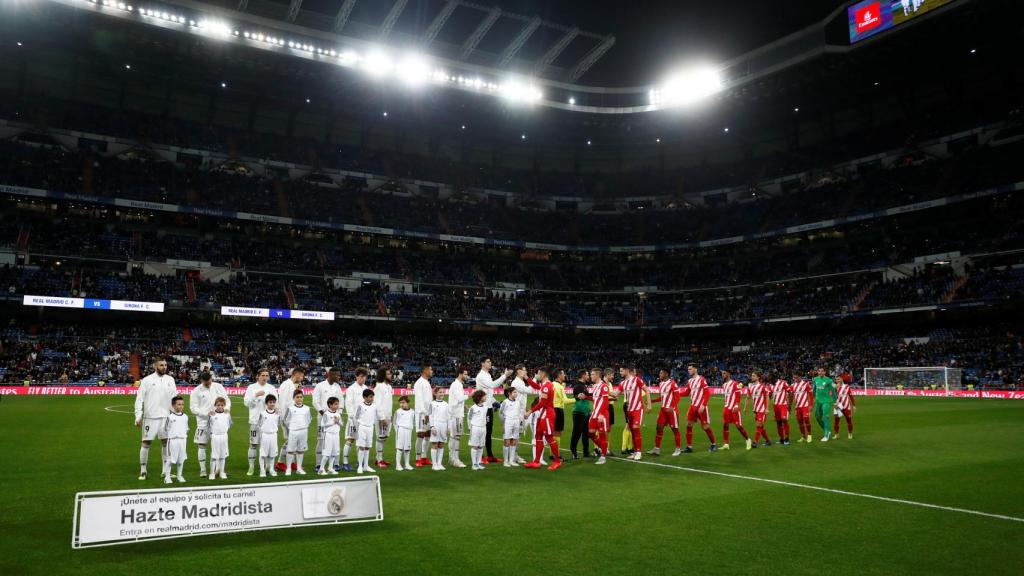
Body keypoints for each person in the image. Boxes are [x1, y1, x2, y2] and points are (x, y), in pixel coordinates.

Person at [134, 357, 178, 480]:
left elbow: (174, 398)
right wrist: (138, 416)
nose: (164, 367)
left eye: (165, 365)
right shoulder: (147, 380)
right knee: (146, 443)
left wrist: (175, 414)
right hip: (150, 417)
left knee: (166, 443)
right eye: (161, 365)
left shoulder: (170, 380)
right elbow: (139, 399)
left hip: (166, 417)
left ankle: (165, 471)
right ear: (155, 366)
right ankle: (143, 471)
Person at [189, 370, 229, 478]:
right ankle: (203, 470)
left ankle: (218, 469)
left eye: (210, 381)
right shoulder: (196, 391)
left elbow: (227, 400)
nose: (208, 384)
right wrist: (206, 413)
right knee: (202, 445)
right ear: (201, 380)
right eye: (206, 382)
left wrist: (227, 409)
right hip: (203, 422)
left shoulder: (218, 387)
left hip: (218, 421)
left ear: (211, 378)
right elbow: (193, 408)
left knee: (219, 446)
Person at [475, 357, 512, 463]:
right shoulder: (481, 375)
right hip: (483, 409)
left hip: (488, 407)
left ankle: (490, 455)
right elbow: (492, 385)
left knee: (489, 432)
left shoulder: (487, 375)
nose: (490, 363)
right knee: (483, 432)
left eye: (490, 361)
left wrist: (495, 402)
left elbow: (489, 392)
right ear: (482, 364)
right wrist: (505, 375)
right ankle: (480, 456)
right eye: (488, 362)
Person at [524, 366, 561, 470]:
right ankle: (536, 461)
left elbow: (542, 403)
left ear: (544, 374)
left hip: (547, 415)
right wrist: (527, 378)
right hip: (543, 414)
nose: (537, 375)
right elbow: (536, 386)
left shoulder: (546, 386)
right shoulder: (545, 385)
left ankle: (557, 461)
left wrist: (530, 411)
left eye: (539, 373)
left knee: (549, 438)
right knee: (538, 436)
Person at [243, 368, 276, 476]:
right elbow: (246, 403)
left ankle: (267, 466)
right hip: (255, 420)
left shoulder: (271, 388)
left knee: (266, 445)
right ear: (258, 376)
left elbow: (276, 403)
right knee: (253, 444)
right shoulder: (251, 387)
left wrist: (277, 411)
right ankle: (251, 466)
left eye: (267, 375)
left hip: (268, 421)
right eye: (263, 375)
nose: (265, 377)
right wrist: (255, 395)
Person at [312, 367, 343, 471]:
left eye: (339, 375)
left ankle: (335, 464)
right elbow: (315, 401)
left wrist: (338, 414)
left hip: (335, 419)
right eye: (337, 375)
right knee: (321, 440)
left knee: (335, 439)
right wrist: (323, 413)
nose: (339, 377)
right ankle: (318, 464)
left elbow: (341, 402)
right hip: (322, 417)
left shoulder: (337, 387)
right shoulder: (320, 385)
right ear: (330, 375)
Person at [682, 363, 717, 453]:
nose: (689, 371)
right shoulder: (690, 381)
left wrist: (703, 405)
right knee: (688, 425)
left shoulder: (701, 379)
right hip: (692, 407)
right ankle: (689, 447)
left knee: (705, 427)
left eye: (690, 369)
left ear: (695, 369)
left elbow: (707, 393)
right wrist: (675, 393)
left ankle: (713, 444)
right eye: (688, 369)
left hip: (701, 407)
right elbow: (686, 393)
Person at [275, 367, 305, 472]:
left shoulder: (292, 385)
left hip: (292, 417)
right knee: (291, 441)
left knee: (292, 441)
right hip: (287, 418)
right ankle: (280, 462)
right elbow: (283, 402)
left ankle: (291, 463)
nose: (302, 378)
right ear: (296, 374)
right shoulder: (286, 385)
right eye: (301, 375)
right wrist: (285, 419)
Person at [649, 368, 683, 456]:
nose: (659, 374)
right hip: (663, 410)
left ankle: (678, 449)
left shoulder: (672, 383)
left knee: (675, 429)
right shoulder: (661, 383)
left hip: (671, 411)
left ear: (666, 374)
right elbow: (662, 397)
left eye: (661, 373)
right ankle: (656, 449)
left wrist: (672, 406)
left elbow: (678, 397)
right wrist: (652, 401)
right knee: (659, 428)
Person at [343, 368, 369, 472]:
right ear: (356, 376)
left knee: (361, 441)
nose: (363, 378)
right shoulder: (351, 389)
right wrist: (351, 417)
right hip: (353, 419)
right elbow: (348, 404)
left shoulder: (366, 388)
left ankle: (360, 461)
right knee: (350, 439)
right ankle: (345, 462)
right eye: (361, 376)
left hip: (364, 420)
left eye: (365, 377)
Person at [720, 369, 752, 451]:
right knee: (725, 425)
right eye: (722, 373)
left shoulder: (734, 383)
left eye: (724, 373)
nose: (723, 375)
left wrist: (737, 405)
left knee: (738, 426)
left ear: (728, 374)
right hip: (726, 407)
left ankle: (748, 440)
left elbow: (738, 394)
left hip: (734, 408)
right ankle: (726, 444)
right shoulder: (724, 385)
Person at [283, 389, 311, 476]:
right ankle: (288, 469)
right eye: (297, 397)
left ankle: (299, 468)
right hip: (293, 432)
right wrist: (292, 427)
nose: (299, 399)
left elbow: (309, 419)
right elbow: (286, 420)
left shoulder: (307, 408)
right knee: (290, 450)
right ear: (294, 398)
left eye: (301, 397)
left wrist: (304, 425)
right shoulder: (290, 408)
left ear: (303, 398)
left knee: (300, 450)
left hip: (303, 431)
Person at [354, 388, 382, 474]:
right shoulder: (360, 405)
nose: (372, 398)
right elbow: (356, 416)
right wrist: (357, 428)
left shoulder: (374, 406)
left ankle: (366, 466)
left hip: (370, 428)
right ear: (365, 397)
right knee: (361, 447)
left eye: (372, 397)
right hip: (362, 427)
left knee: (367, 447)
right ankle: (360, 466)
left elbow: (377, 416)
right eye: (370, 397)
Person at [447, 367, 470, 468]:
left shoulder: (457, 384)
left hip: (455, 413)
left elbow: (455, 400)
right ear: (460, 374)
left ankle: (452, 458)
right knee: (456, 437)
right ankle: (455, 460)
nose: (466, 376)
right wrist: (470, 394)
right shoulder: (457, 385)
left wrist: (463, 406)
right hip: (456, 415)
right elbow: (460, 398)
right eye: (465, 374)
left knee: (453, 437)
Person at [588, 368, 611, 464]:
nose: (591, 376)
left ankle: (603, 457)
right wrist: (585, 397)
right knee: (590, 433)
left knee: (602, 435)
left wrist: (601, 414)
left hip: (601, 415)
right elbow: (595, 400)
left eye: (592, 374)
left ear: (597, 375)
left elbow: (605, 401)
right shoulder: (595, 386)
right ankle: (604, 448)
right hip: (594, 414)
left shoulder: (604, 386)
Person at [163, 396, 189, 484]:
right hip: (173, 441)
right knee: (170, 459)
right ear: (173, 405)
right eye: (179, 404)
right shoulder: (170, 417)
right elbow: (166, 428)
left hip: (183, 440)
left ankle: (179, 476)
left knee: (181, 460)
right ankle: (167, 477)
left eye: (182, 404)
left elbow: (186, 428)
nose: (181, 406)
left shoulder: (185, 416)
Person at [373, 367, 395, 468]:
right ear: (383, 375)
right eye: (388, 374)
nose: (391, 375)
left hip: (388, 416)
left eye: (390, 373)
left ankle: (379, 458)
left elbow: (388, 403)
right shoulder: (379, 387)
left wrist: (390, 415)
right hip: (381, 418)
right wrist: (382, 417)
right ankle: (379, 460)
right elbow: (377, 403)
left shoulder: (389, 387)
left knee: (384, 438)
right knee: (380, 438)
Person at [414, 365, 434, 468]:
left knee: (428, 434)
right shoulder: (419, 383)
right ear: (425, 370)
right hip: (421, 414)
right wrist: (424, 413)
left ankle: (424, 457)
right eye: (430, 369)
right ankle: (418, 458)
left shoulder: (427, 382)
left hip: (428, 413)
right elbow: (419, 399)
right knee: (421, 434)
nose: (432, 371)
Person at [568, 370, 592, 459]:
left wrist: (588, 410)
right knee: (576, 433)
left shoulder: (583, 385)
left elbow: (586, 396)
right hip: (578, 413)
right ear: (583, 375)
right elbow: (584, 396)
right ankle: (573, 451)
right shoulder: (578, 386)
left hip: (585, 412)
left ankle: (586, 452)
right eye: (587, 374)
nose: (589, 376)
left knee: (586, 433)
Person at [208, 397, 232, 480]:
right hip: (215, 436)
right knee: (214, 456)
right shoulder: (212, 414)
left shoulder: (227, 414)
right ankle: (212, 473)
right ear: (215, 405)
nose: (220, 407)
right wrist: (211, 434)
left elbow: (230, 424)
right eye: (218, 405)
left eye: (222, 405)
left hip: (224, 436)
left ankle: (222, 472)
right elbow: (208, 426)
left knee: (223, 455)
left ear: (224, 405)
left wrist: (224, 431)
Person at [257, 395, 281, 477]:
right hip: (265, 436)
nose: (272, 404)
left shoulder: (277, 414)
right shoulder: (262, 413)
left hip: (273, 435)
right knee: (263, 454)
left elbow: (278, 423)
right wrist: (263, 431)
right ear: (266, 403)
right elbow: (259, 424)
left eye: (274, 402)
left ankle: (271, 469)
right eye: (270, 402)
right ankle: (262, 470)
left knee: (272, 454)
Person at [318, 397, 343, 475]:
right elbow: (322, 424)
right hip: (328, 435)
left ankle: (330, 468)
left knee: (334, 453)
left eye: (337, 404)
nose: (337, 405)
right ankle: (321, 469)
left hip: (336, 435)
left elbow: (342, 424)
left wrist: (338, 422)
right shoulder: (326, 414)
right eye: (335, 404)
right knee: (326, 453)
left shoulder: (338, 414)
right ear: (330, 405)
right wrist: (333, 422)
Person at [428, 386, 450, 471]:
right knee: (435, 444)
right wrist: (432, 426)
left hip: (444, 425)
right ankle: (434, 464)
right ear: (435, 394)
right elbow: (430, 415)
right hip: (436, 425)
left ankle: (439, 463)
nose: (442, 394)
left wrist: (448, 427)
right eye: (440, 392)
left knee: (441, 444)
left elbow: (448, 416)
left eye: (443, 392)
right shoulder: (432, 404)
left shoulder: (446, 404)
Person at [812, 367, 837, 442]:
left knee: (826, 416)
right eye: (819, 371)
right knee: (817, 417)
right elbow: (814, 389)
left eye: (822, 371)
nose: (820, 372)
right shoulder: (815, 379)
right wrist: (813, 398)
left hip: (826, 401)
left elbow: (833, 391)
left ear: (825, 372)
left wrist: (835, 402)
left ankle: (826, 435)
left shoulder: (829, 380)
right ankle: (827, 430)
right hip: (818, 401)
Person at [499, 387, 521, 467]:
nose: (516, 393)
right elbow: (500, 413)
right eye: (514, 392)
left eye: (516, 392)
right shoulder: (505, 402)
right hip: (508, 422)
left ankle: (511, 460)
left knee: (514, 441)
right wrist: (504, 423)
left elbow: (518, 412)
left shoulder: (518, 402)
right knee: (507, 441)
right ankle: (506, 461)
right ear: (509, 393)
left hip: (516, 422)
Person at [469, 389, 490, 470]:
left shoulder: (485, 407)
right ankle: (474, 464)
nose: (485, 397)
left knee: (481, 446)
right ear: (479, 397)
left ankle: (478, 463)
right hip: (475, 428)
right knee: (475, 446)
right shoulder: (473, 408)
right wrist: (470, 428)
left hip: (483, 428)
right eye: (484, 396)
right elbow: (469, 418)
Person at [393, 396, 415, 471]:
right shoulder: (398, 411)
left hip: (409, 431)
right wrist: (397, 430)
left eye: (403, 402)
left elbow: (413, 422)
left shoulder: (412, 412)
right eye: (400, 403)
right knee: (399, 448)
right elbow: (394, 422)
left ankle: (407, 464)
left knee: (407, 448)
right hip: (401, 430)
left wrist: (411, 428)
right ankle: (398, 465)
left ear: (408, 403)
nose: (402, 404)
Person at [792, 371, 814, 443]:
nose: (795, 379)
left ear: (799, 377)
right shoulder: (793, 385)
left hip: (805, 406)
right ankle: (803, 436)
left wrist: (811, 405)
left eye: (796, 377)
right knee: (800, 422)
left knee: (806, 420)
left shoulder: (806, 384)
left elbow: (811, 396)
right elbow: (791, 396)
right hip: (798, 407)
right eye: (794, 378)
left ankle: (809, 436)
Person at [771, 372, 793, 445]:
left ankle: (787, 438)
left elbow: (790, 392)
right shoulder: (772, 386)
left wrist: (789, 404)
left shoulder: (783, 383)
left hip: (783, 405)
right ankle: (782, 439)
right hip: (776, 406)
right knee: (778, 422)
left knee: (784, 420)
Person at [552, 368, 569, 446]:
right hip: (558, 410)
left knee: (554, 432)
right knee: (557, 433)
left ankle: (554, 452)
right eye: (563, 373)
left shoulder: (552, 384)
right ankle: (556, 452)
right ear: (559, 375)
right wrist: (578, 398)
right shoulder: (559, 386)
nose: (564, 375)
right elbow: (566, 401)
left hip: (552, 409)